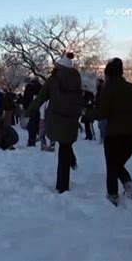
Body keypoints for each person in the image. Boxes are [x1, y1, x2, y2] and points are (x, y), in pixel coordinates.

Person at [28, 52, 83, 194]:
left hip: (57, 117)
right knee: (66, 145)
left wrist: (30, 111)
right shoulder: (77, 79)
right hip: (71, 118)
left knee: (63, 149)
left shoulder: (53, 80)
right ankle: (71, 164)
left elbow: (41, 97)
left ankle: (62, 185)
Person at [95, 58, 132, 207]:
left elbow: (101, 113)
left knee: (112, 165)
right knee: (118, 164)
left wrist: (87, 113)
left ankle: (112, 195)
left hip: (115, 134)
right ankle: (130, 187)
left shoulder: (108, 90)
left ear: (108, 75)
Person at [24, 78, 43, 146]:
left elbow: (26, 99)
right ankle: (39, 138)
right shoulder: (41, 88)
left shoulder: (29, 88)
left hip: (31, 109)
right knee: (37, 124)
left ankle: (32, 141)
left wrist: (26, 108)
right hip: (39, 109)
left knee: (31, 126)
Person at [95, 79, 107, 144]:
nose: (96, 84)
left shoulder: (103, 91)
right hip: (100, 110)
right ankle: (102, 138)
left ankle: (104, 138)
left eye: (97, 83)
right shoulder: (98, 91)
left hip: (103, 111)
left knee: (103, 125)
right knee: (101, 126)